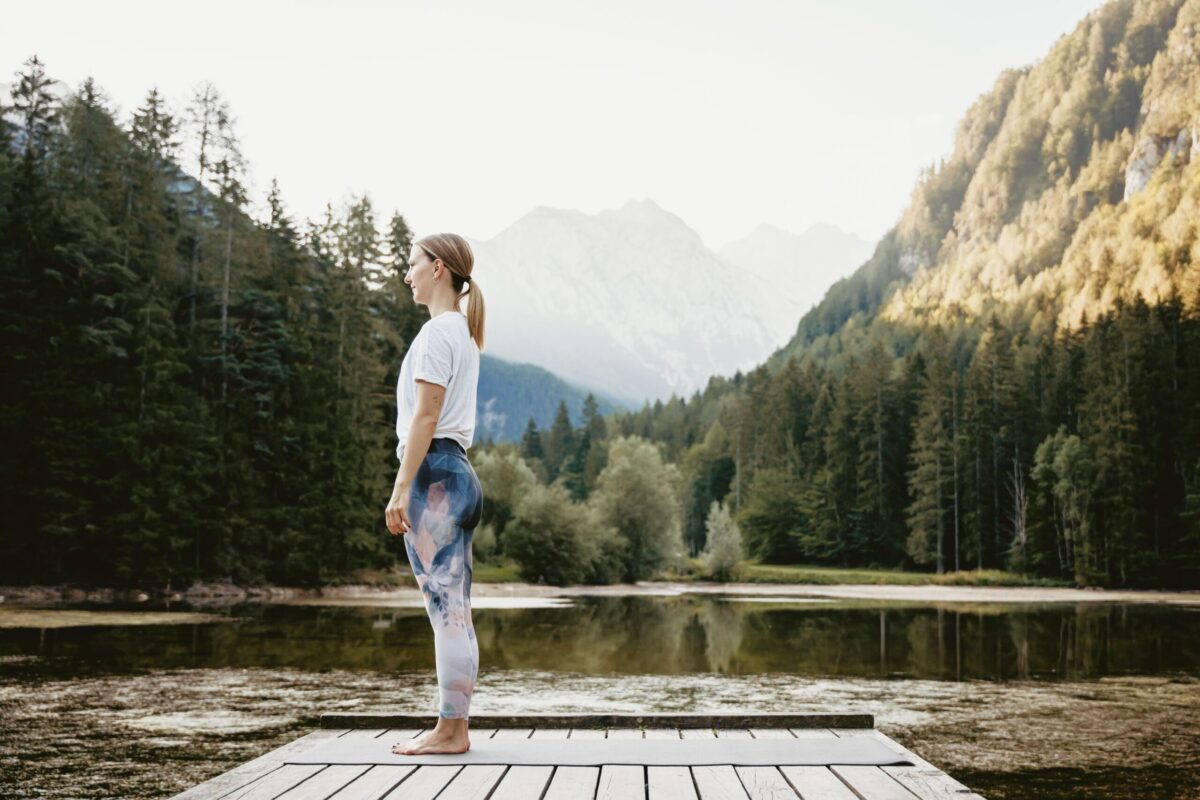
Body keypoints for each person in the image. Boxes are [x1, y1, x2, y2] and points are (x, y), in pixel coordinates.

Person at [385, 232, 485, 755]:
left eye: (413, 265)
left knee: (444, 610)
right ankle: (456, 727)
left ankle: (450, 732)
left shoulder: (436, 335)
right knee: (457, 610)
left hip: (435, 478)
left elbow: (425, 416)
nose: (408, 274)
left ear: (438, 269)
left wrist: (402, 489)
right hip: (460, 472)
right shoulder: (464, 335)